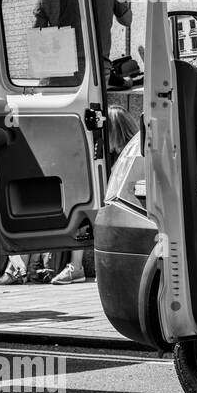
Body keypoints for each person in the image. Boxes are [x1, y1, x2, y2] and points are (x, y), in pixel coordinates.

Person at [52, 107, 139, 285]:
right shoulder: (119, 154)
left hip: (127, 209)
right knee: (85, 209)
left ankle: (79, 267)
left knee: (91, 212)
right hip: (116, 207)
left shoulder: (131, 155)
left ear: (115, 131)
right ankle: (77, 267)